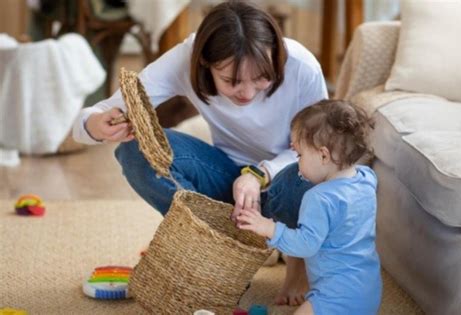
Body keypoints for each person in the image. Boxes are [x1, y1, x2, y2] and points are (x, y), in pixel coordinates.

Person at [72, 0, 327, 304]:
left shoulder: (302, 67)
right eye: (231, 81)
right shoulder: (187, 57)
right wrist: (95, 125)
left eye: (262, 77)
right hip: (225, 184)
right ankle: (222, 244)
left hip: (287, 184)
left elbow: (322, 150)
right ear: (205, 63)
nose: (247, 92)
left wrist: (259, 174)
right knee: (134, 150)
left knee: (313, 169)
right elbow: (92, 117)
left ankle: (295, 261)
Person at [237, 100, 382, 315]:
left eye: (300, 155)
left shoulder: (318, 197)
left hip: (335, 294)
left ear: (324, 155)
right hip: (369, 288)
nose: (297, 163)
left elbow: (306, 245)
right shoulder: (366, 178)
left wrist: (268, 227)